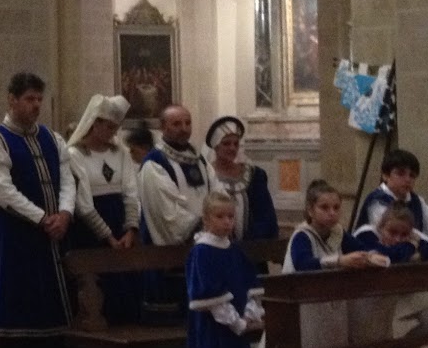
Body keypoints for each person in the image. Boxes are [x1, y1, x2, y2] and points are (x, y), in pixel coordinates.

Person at [0, 71, 78, 348]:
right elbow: (1, 191)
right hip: (15, 238)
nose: (36, 106)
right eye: (29, 99)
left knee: (52, 303)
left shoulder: (52, 138)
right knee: (16, 305)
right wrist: (42, 218)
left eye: (39, 99)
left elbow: (67, 180)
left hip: (52, 237)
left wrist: (65, 213)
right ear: (12, 100)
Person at [251, 180, 386, 348]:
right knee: (306, 347)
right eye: (324, 207)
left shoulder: (338, 232)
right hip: (300, 305)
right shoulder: (302, 235)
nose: (332, 213)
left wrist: (372, 256)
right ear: (310, 210)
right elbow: (303, 263)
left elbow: (361, 248)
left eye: (336, 207)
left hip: (328, 302)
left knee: (329, 346)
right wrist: (339, 261)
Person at [348, 201, 428, 348]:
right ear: (381, 227)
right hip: (369, 295)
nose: (397, 238)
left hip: (401, 290)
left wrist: (412, 247)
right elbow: (389, 257)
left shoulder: (412, 238)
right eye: (392, 232)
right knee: (369, 342)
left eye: (403, 234)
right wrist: (411, 248)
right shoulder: (366, 234)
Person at [67, 94, 143, 324]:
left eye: (116, 127)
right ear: (95, 123)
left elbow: (131, 192)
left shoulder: (120, 153)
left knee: (124, 290)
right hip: (90, 230)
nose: (113, 132)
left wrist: (130, 228)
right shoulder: (75, 154)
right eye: (109, 126)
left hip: (120, 224)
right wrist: (108, 237)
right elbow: (83, 204)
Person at [184, 192, 264, 348]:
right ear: (206, 219)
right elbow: (209, 295)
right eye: (220, 217)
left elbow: (250, 283)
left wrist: (249, 313)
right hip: (213, 325)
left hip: (238, 319)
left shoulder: (234, 249)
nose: (227, 222)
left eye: (231, 216)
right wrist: (236, 322)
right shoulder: (201, 252)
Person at [137, 105, 210, 246]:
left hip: (205, 237)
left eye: (188, 123)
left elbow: (216, 194)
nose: (184, 129)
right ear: (163, 127)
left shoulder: (199, 160)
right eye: (176, 124)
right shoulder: (155, 163)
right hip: (172, 249)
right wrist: (202, 230)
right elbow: (166, 212)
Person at [204, 116, 279, 241]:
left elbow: (265, 215)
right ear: (216, 146)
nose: (232, 148)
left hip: (252, 246)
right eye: (226, 143)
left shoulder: (254, 175)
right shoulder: (206, 175)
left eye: (236, 144)